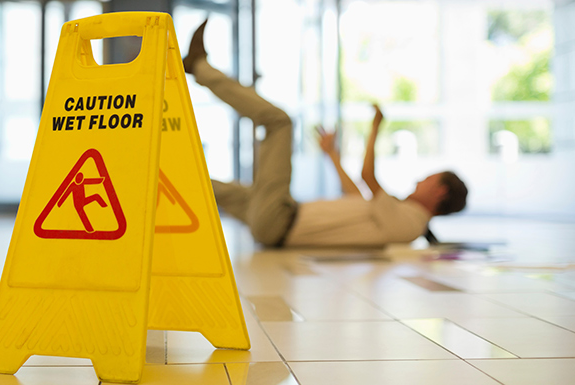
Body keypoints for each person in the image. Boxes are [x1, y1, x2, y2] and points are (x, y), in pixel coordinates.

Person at [183, 19, 468, 248]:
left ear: (439, 192)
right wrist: (331, 154)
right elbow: (355, 193)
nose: (419, 179)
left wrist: (375, 128)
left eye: (428, 179)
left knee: (280, 123)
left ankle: (199, 67)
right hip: (277, 219)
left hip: (280, 222)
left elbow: (368, 178)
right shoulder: (401, 216)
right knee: (212, 188)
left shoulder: (410, 224)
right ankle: (151, 177)